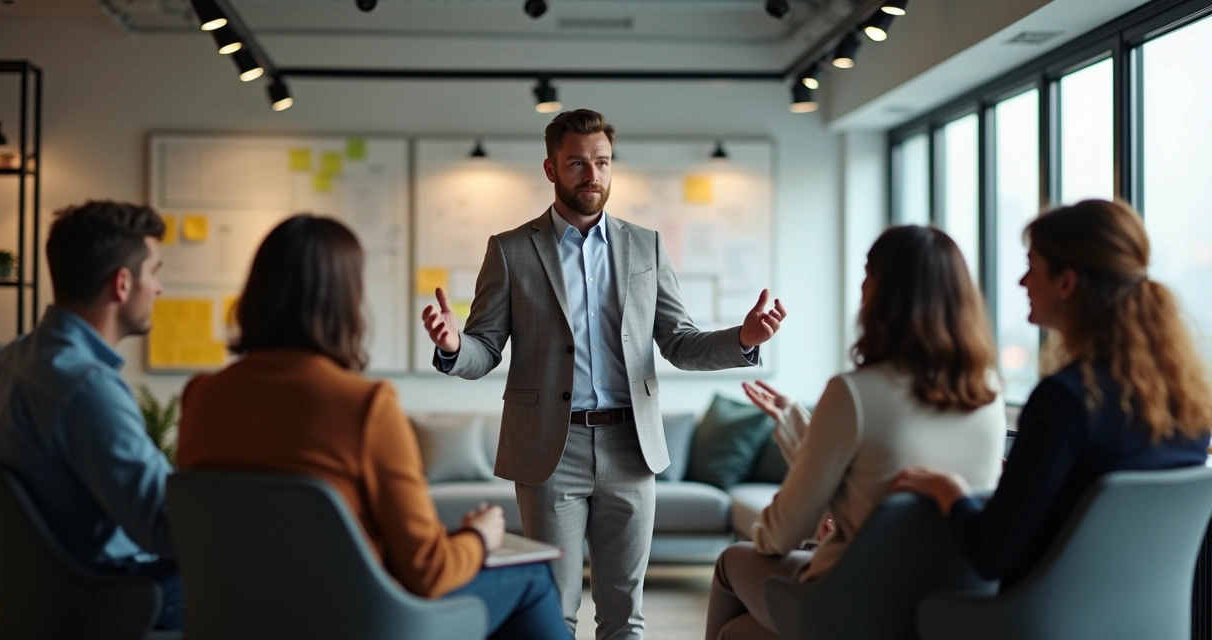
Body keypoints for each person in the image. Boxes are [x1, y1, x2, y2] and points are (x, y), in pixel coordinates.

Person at [422, 109, 786, 640]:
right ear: (551, 169)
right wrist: (455, 345)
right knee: (554, 610)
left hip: (631, 447)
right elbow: (484, 349)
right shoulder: (511, 250)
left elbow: (679, 344)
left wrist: (744, 339)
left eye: (602, 163)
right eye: (577, 164)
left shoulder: (646, 246)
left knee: (625, 614)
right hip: (551, 448)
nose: (592, 175)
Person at [177, 215, 570, 640]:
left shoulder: (202, 397)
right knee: (530, 576)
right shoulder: (363, 406)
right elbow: (428, 571)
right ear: (345, 301)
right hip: (356, 619)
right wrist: (478, 537)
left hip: (239, 618)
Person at [705, 225, 1006, 640]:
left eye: (868, 273)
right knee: (738, 632)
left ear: (883, 293)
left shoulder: (854, 392)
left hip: (854, 604)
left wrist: (781, 530)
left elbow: (779, 536)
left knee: (730, 563)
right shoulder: (989, 394)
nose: (861, 285)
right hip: (948, 603)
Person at [895, 199, 1212, 586]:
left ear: (1066, 283)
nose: (1021, 283)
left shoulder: (1064, 399)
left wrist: (950, 491)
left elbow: (992, 555)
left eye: (1032, 267)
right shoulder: (1186, 402)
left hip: (1040, 617)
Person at [0, 200, 180, 629]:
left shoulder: (9, 360)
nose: (158, 289)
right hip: (107, 591)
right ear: (121, 284)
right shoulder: (86, 389)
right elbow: (165, 528)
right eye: (154, 272)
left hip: (34, 593)